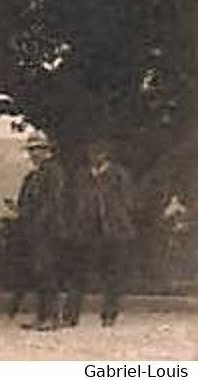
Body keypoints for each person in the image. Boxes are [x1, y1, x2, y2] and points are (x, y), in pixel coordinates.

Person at [65, 140, 136, 327]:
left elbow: (128, 202)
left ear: (106, 155)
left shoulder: (119, 175)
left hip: (113, 232)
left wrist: (116, 216)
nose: (95, 156)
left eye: (99, 153)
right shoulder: (81, 176)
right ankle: (70, 316)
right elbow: (73, 201)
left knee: (113, 274)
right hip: (86, 232)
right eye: (92, 153)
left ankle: (109, 315)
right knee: (78, 274)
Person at [15, 134, 69, 331]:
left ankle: (52, 316)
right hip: (35, 230)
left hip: (49, 229)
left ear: (47, 151)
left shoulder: (53, 172)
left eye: (38, 149)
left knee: (48, 272)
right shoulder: (33, 176)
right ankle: (42, 315)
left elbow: (53, 202)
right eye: (31, 150)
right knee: (39, 272)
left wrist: (39, 221)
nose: (34, 154)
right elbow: (25, 202)